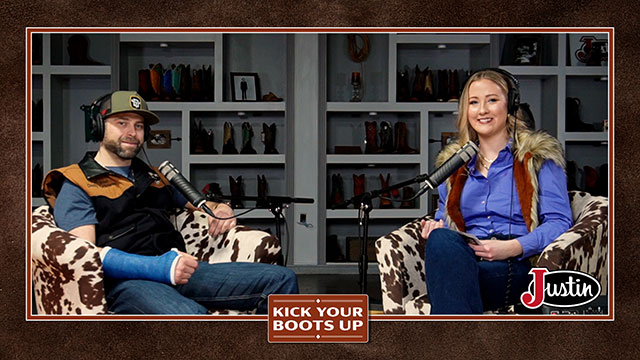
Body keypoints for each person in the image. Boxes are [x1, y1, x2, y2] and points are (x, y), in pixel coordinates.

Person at [42, 91, 298, 314]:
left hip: (182, 268)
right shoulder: (76, 182)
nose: (132, 133)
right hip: (128, 281)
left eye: (139, 126)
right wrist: (158, 268)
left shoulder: (154, 176)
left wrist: (221, 208)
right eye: (121, 123)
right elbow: (84, 255)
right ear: (98, 126)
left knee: (281, 279)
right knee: (191, 316)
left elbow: (199, 203)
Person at [420, 69, 572, 314]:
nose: (482, 110)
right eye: (473, 102)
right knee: (441, 242)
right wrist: (437, 228)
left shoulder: (539, 159)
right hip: (466, 258)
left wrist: (513, 247)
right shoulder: (454, 164)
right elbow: (444, 217)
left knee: (452, 282)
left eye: (492, 100)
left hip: (517, 266)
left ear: (510, 105)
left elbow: (559, 221)